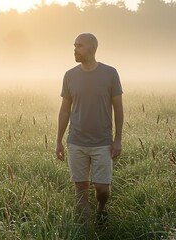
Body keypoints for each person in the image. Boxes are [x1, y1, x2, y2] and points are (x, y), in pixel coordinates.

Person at [56, 33, 123, 225]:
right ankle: (87, 230)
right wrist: (59, 140)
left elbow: (118, 108)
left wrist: (117, 140)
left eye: (79, 46)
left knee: (102, 190)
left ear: (91, 49)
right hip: (76, 141)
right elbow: (64, 110)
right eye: (74, 45)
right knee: (81, 189)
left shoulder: (110, 73)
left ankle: (101, 209)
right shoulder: (69, 75)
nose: (75, 49)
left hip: (102, 142)